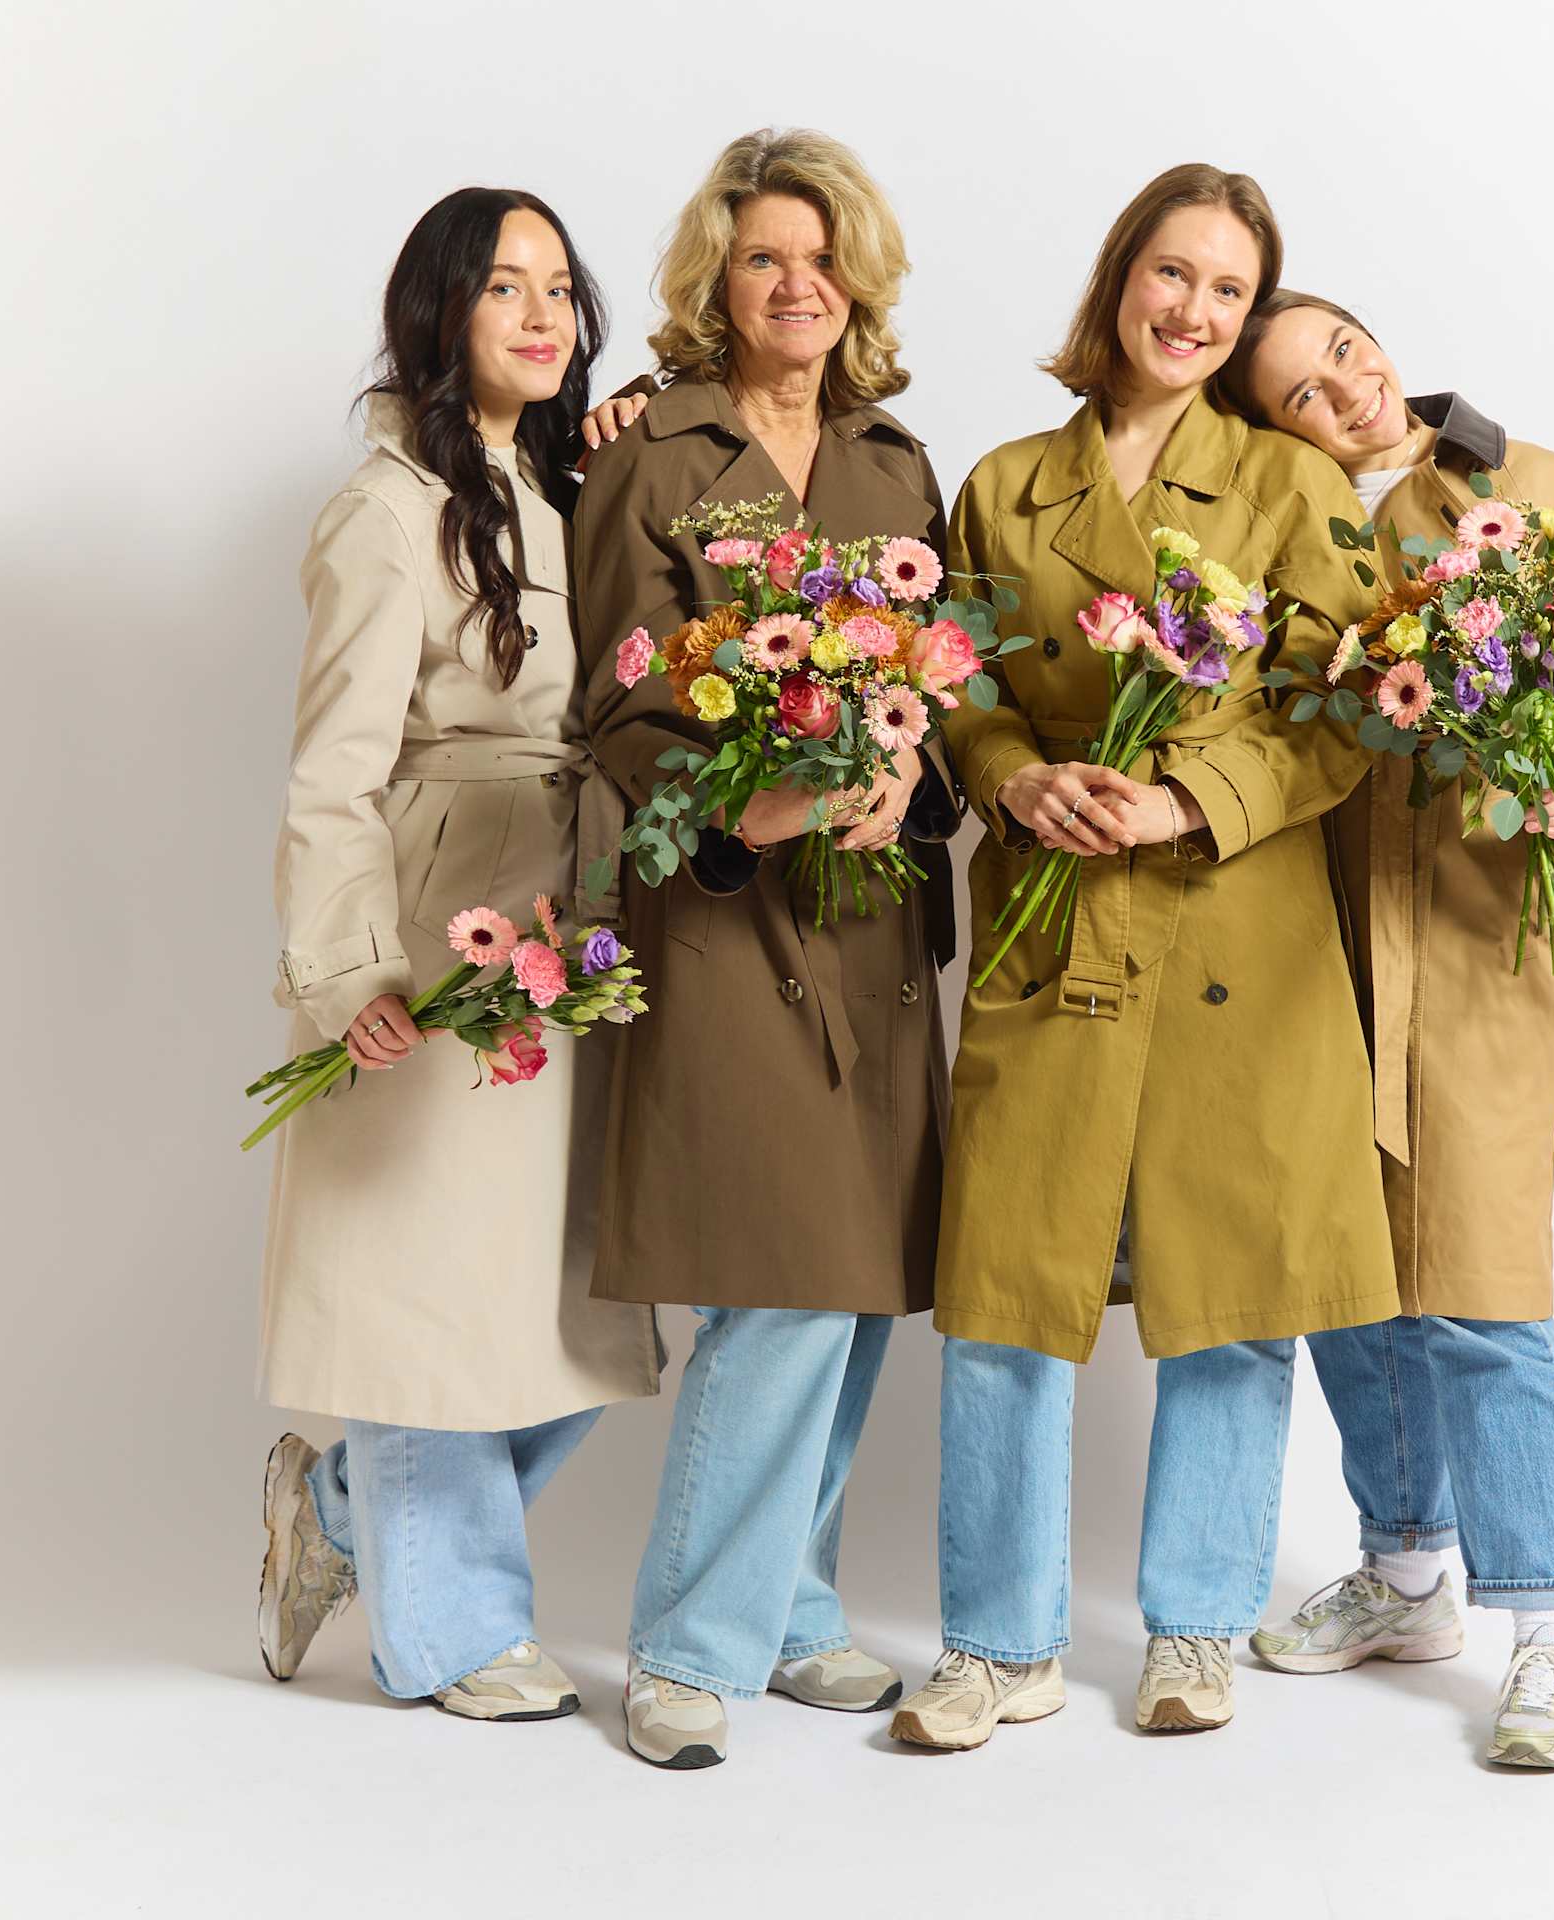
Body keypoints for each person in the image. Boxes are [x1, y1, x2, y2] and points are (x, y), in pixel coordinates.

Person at [887, 165, 1400, 1753]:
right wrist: (1010, 776)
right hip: (1057, 919)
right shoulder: (1001, 482)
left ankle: (1194, 1631)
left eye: (1228, 294)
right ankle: (999, 1645)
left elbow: (1336, 718)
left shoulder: (1291, 485)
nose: (1192, 312)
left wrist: (1188, 792)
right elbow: (953, 682)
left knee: (1233, 1295)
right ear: (1119, 282)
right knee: (1007, 1290)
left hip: (1239, 928)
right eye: (1171, 275)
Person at [573, 128, 964, 1771]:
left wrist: (906, 786)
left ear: (856, 278)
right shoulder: (646, 449)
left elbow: (949, 691)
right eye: (760, 259)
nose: (795, 284)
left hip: (873, 927)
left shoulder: (897, 461)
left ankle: (797, 1605)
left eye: (821, 257)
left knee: (859, 1283)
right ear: (715, 285)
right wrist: (760, 811)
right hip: (731, 911)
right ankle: (690, 1643)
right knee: (778, 1288)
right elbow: (610, 699)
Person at [1235, 291, 1554, 1770]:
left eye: (1345, 354)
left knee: (1484, 1285)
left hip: (1481, 937)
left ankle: (1546, 1632)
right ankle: (1406, 1576)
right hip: (1327, 930)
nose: (1344, 395)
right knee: (1351, 1272)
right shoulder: (1283, 520)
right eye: (1300, 393)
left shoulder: (1514, 484)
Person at [256, 188, 661, 1720]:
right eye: (507, 287)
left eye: (562, 285)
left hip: (570, 927)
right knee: (423, 1288)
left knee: (553, 1308)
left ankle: (342, 1515)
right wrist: (353, 972)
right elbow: (329, 774)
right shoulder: (383, 510)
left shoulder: (558, 485)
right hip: (438, 934)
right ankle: (455, 1633)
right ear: (443, 311)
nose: (545, 313)